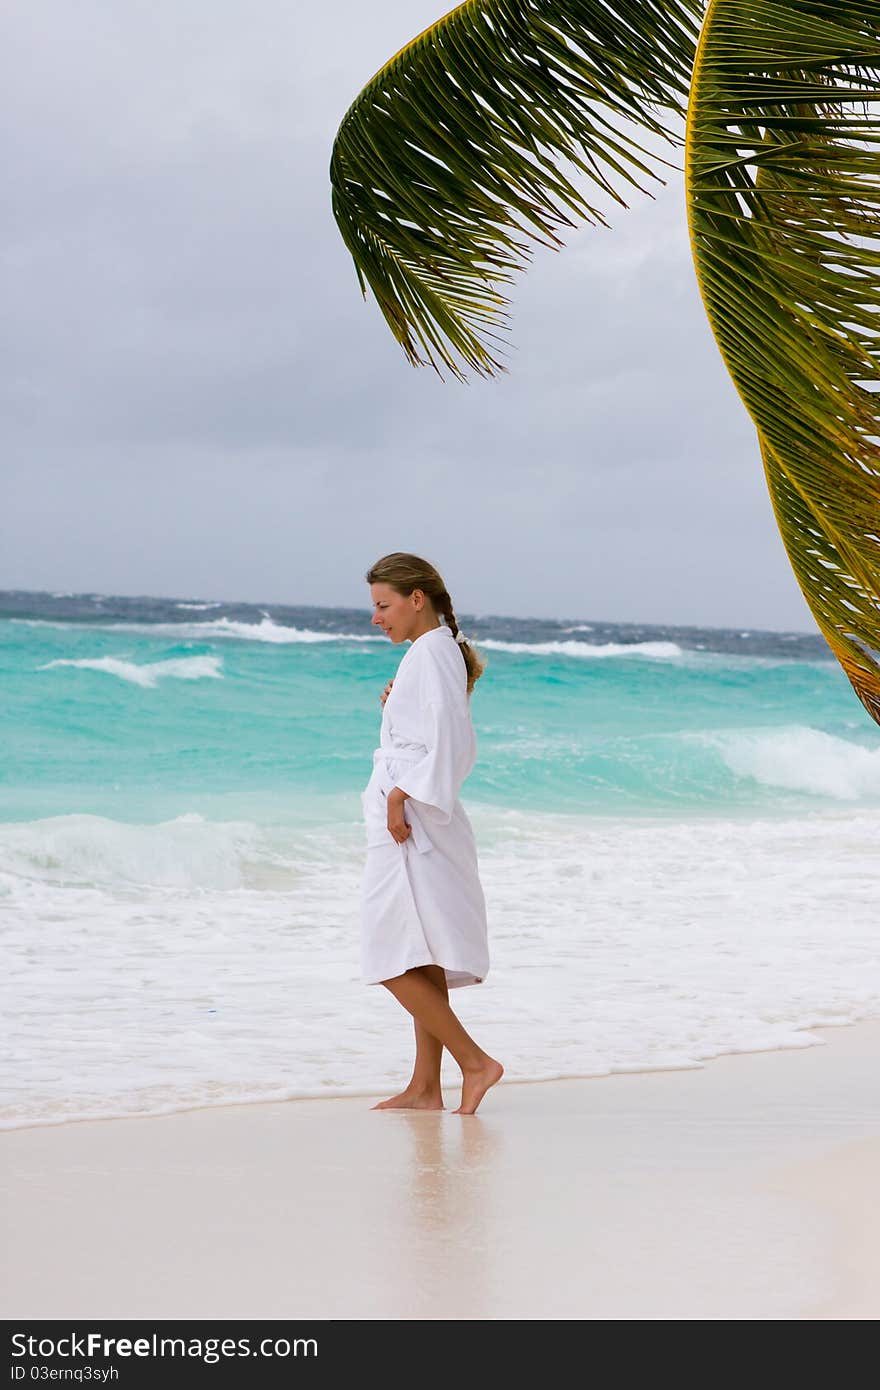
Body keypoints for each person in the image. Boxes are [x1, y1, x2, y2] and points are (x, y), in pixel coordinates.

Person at [360, 551, 503, 1116]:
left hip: (412, 819)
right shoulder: (431, 653)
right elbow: (432, 729)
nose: (376, 618)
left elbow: (455, 743)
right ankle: (425, 1087)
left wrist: (403, 793)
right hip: (410, 817)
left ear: (416, 599)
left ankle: (475, 1063)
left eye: (383, 604)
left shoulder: (433, 651)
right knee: (419, 956)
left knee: (388, 952)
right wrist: (398, 712)